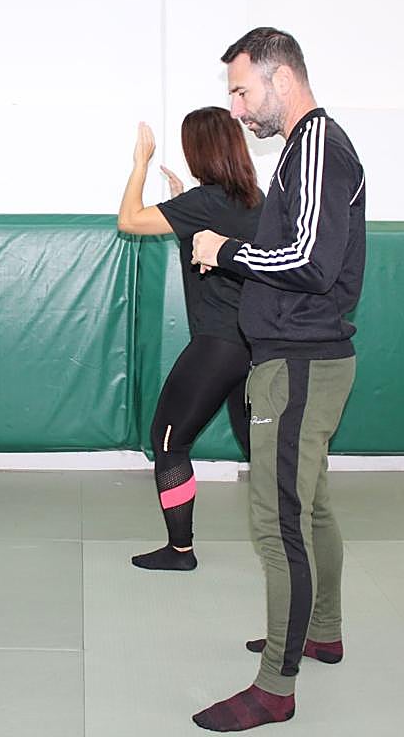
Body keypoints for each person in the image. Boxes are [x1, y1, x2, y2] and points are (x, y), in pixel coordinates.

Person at [189, 27, 366, 731]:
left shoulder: (319, 143)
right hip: (297, 357)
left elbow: (310, 260)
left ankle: (275, 687)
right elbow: (295, 245)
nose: (236, 107)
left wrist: (225, 247)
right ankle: (320, 631)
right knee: (311, 505)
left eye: (241, 89)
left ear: (281, 79)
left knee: (278, 521)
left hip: (300, 362)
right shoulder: (300, 149)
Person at [117, 109, 263, 571]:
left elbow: (130, 221)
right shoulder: (254, 201)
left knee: (169, 441)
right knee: (262, 453)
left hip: (216, 345)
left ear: (199, 150)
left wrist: (140, 162)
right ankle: (289, 546)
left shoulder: (207, 200)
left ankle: (180, 550)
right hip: (254, 348)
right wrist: (182, 201)